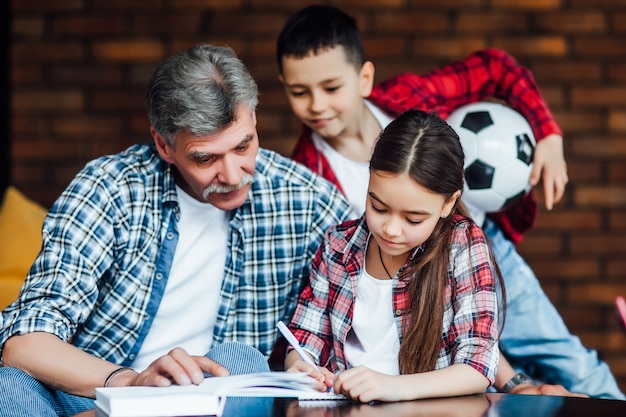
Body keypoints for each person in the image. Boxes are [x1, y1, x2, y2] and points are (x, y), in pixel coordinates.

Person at [276, 4, 624, 399]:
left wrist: (549, 134)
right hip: (397, 269)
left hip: (471, 245)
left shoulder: (410, 99)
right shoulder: (312, 184)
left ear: (364, 78)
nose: (317, 105)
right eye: (299, 92)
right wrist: (301, 362)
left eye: (331, 88)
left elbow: (497, 68)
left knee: (564, 358)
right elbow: (318, 326)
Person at [0, 43, 354, 416]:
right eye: (205, 158)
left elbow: (386, 273)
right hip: (101, 392)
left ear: (254, 120)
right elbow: (23, 343)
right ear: (163, 145)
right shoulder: (109, 189)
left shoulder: (306, 199)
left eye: (243, 146)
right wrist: (131, 384)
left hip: (214, 399)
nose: (233, 175)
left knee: (242, 357)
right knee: (10, 383)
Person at [285, 109, 503, 402]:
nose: (390, 229)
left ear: (448, 203)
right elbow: (305, 337)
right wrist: (299, 366)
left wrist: (392, 387)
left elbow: (478, 365)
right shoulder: (338, 244)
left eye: (413, 219)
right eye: (379, 207)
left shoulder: (463, 245)